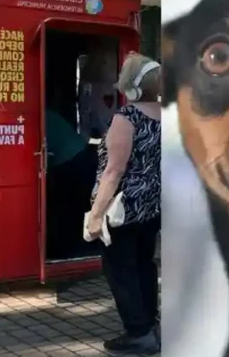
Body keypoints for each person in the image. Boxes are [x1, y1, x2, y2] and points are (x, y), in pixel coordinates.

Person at [85, 52, 161, 354]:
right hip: (152, 207)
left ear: (131, 87)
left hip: (122, 209)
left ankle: (138, 333)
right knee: (144, 265)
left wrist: (95, 214)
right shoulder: (167, 116)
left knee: (121, 271)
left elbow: (114, 171)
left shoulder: (127, 118)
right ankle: (150, 326)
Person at [45, 91, 98, 260]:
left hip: (72, 162)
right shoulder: (48, 114)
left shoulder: (37, 118)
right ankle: (83, 247)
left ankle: (68, 250)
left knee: (65, 209)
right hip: (82, 156)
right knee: (78, 206)